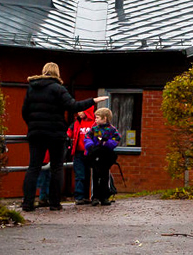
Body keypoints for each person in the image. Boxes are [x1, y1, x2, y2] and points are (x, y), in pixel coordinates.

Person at [21, 62, 106, 212]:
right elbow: (73, 106)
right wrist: (92, 101)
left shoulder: (32, 88)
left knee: (33, 167)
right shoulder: (58, 89)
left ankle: (27, 203)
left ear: (43, 71)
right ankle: (54, 203)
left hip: (36, 133)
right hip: (55, 133)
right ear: (57, 73)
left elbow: (24, 111)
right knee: (56, 167)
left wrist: (33, 125)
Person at [85, 108, 121, 207]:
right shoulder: (94, 129)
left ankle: (104, 196)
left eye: (97, 117)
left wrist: (107, 143)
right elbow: (87, 138)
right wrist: (90, 145)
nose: (95, 119)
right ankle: (95, 197)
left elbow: (116, 139)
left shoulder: (112, 130)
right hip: (95, 154)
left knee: (105, 176)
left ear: (105, 118)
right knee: (95, 176)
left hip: (106, 155)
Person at [67, 106, 96, 205]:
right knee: (80, 175)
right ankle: (79, 196)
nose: (79, 113)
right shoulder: (76, 123)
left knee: (88, 174)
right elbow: (69, 133)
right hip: (78, 152)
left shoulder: (94, 123)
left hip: (90, 153)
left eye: (81, 111)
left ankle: (86, 196)